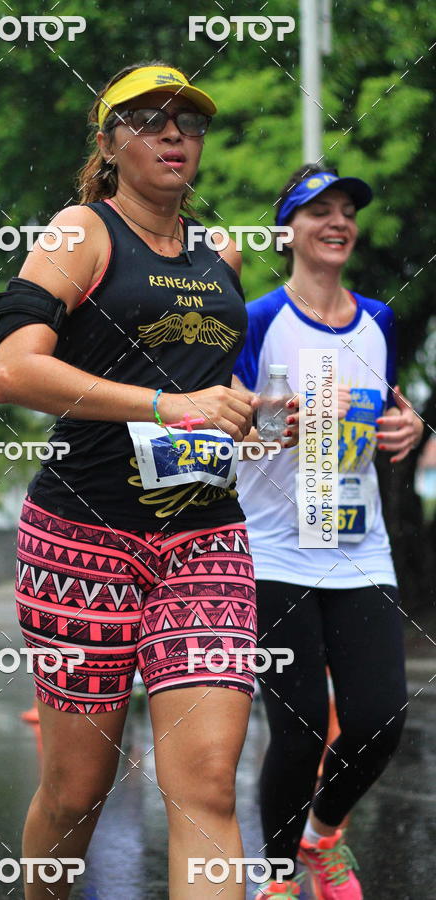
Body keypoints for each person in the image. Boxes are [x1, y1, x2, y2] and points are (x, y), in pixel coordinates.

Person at [0, 61, 295, 900]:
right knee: (77, 793)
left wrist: (258, 419)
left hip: (204, 538)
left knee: (206, 786)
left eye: (188, 122)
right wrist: (168, 405)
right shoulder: (80, 231)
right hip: (83, 539)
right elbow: (12, 370)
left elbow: (208, 392)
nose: (172, 134)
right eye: (149, 119)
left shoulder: (221, 253)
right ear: (109, 140)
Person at [232, 165, 424, 899]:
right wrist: (282, 424)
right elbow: (226, 430)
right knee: (302, 725)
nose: (338, 222)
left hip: (358, 547)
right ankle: (278, 878)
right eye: (319, 211)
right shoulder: (257, 319)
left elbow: (389, 413)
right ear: (287, 231)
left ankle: (320, 835)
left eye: (347, 210)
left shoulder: (379, 320)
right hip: (276, 551)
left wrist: (409, 426)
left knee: (380, 718)